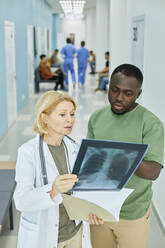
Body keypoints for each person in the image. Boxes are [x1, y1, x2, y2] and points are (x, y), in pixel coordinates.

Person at [87, 64, 164, 248]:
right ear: (109, 86)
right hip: (100, 210)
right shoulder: (97, 118)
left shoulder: (151, 124)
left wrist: (120, 155)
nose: (119, 98)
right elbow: (90, 165)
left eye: (128, 93)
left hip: (132, 213)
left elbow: (152, 172)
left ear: (138, 94)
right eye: (114, 90)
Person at [14, 91, 91, 248]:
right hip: (46, 237)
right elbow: (21, 201)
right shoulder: (28, 152)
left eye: (72, 114)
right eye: (62, 115)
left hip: (75, 232)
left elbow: (81, 190)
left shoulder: (74, 148)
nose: (70, 119)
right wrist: (53, 190)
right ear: (44, 117)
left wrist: (91, 211)